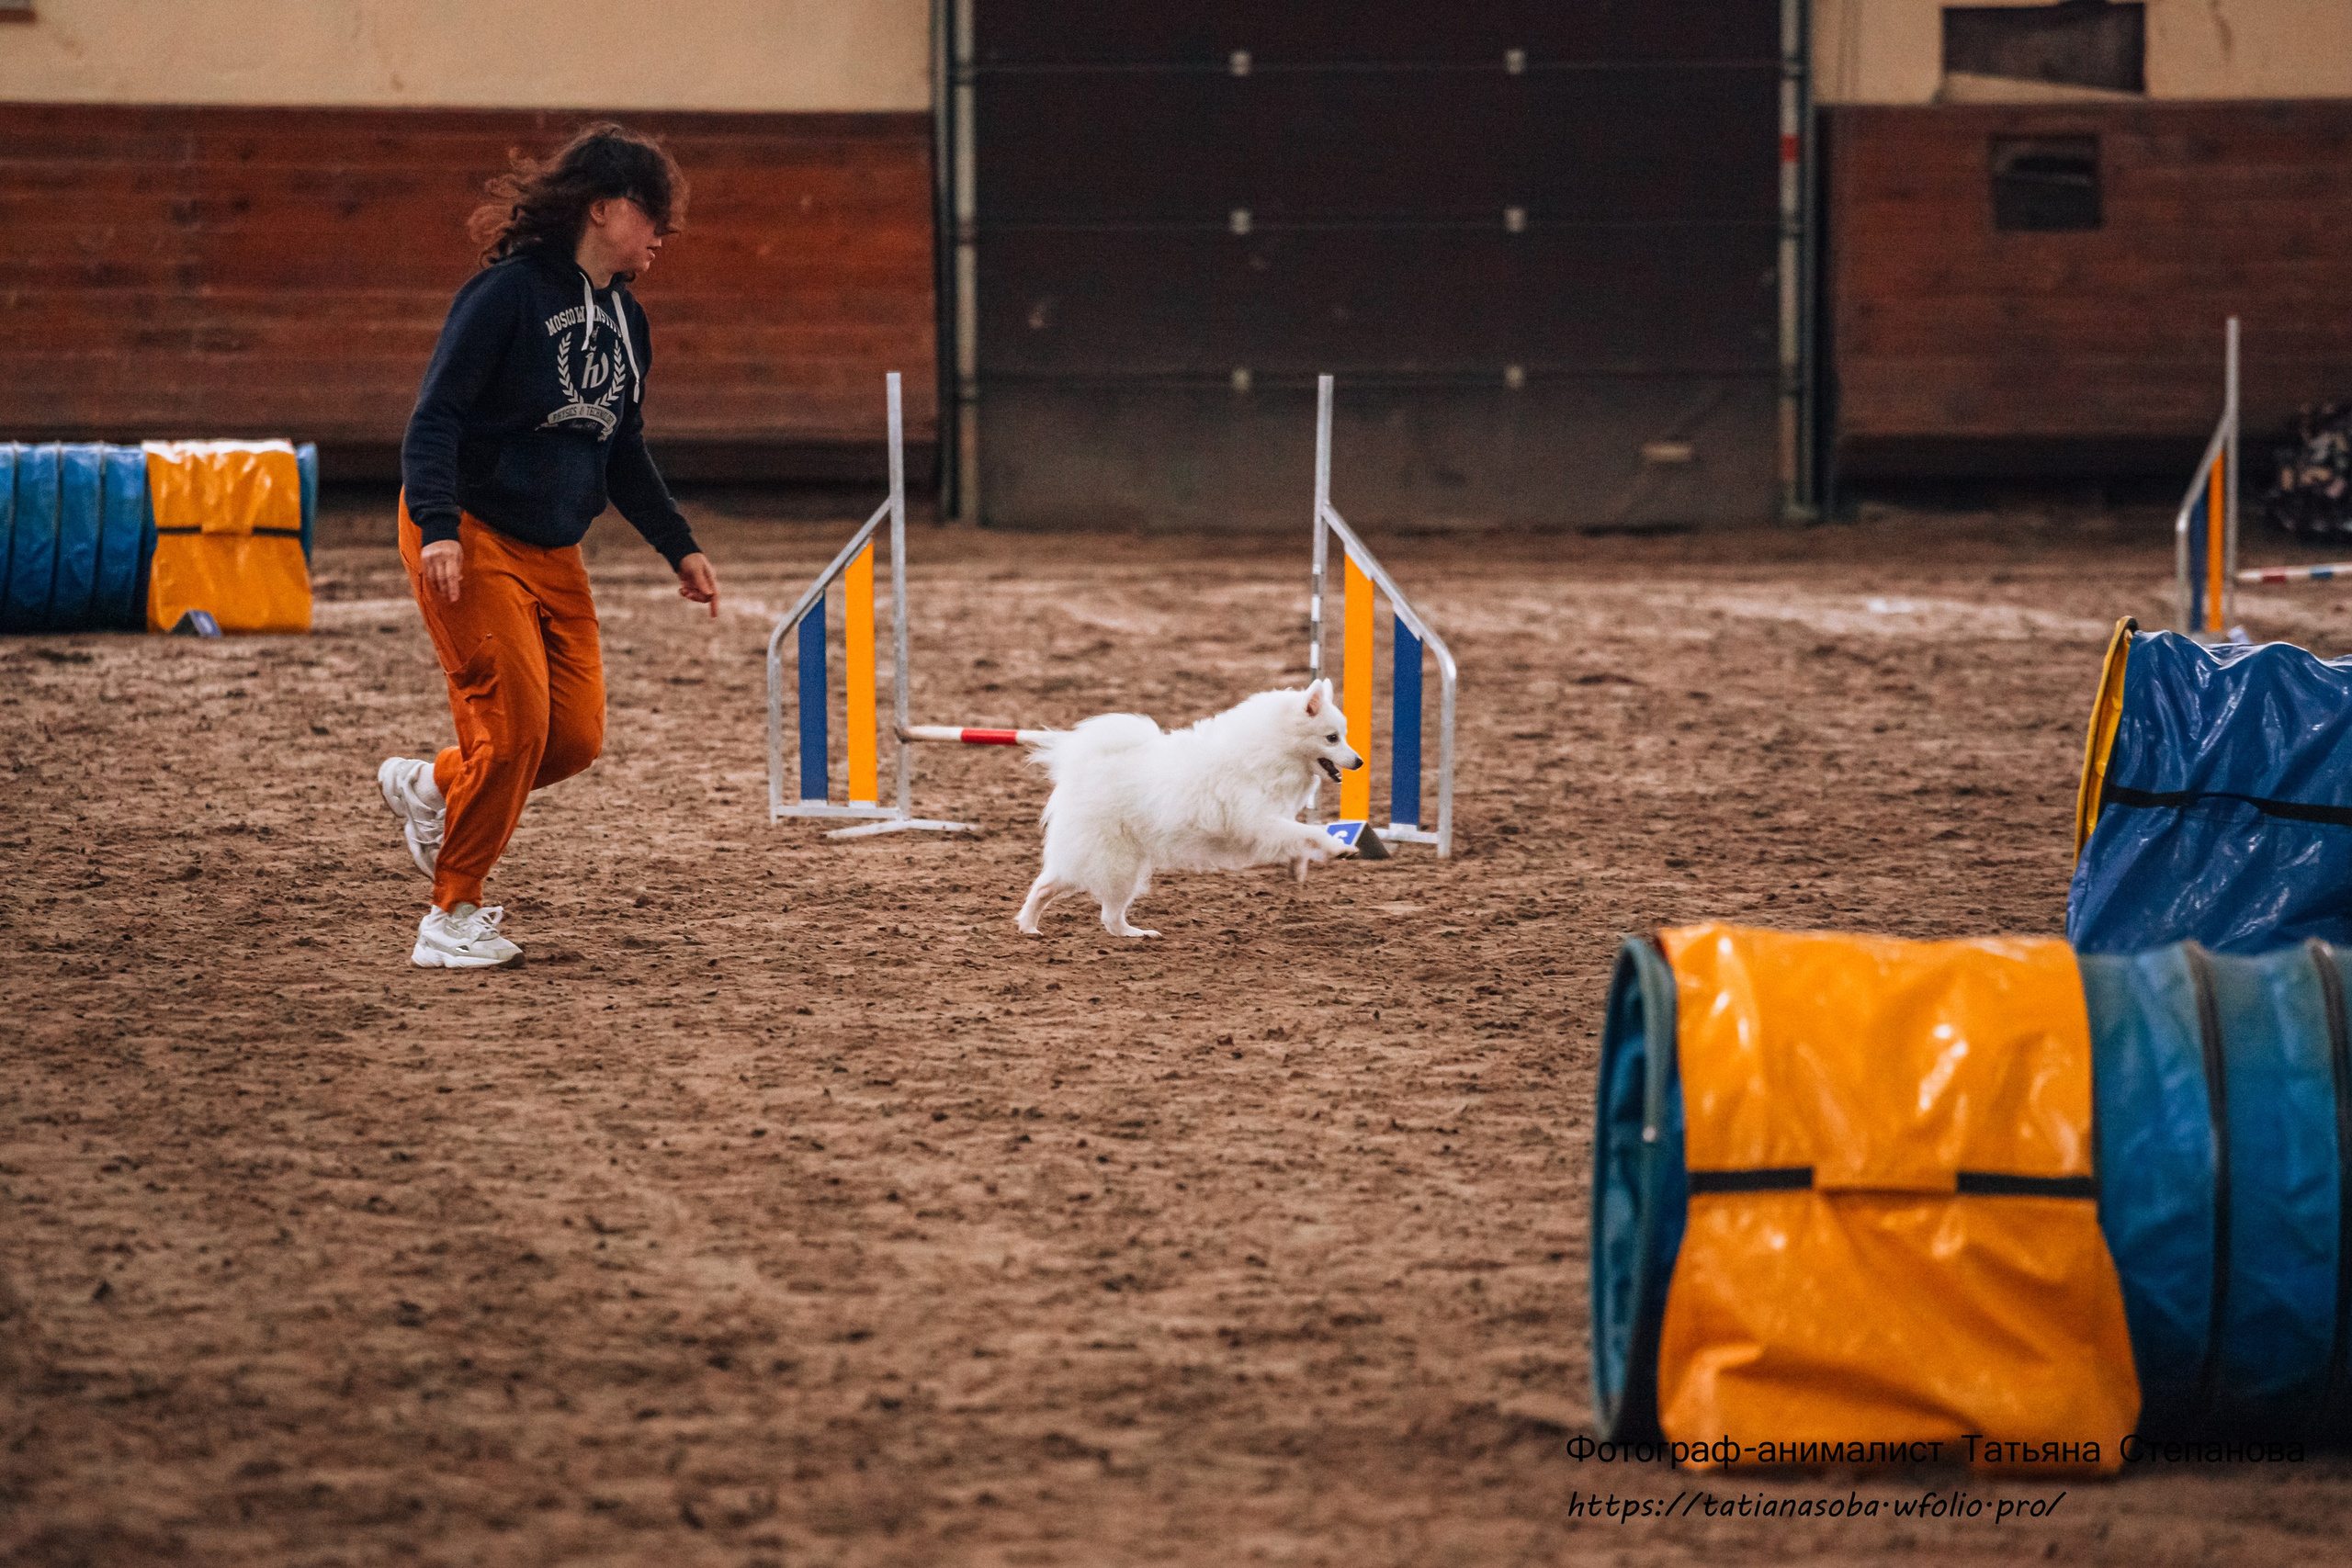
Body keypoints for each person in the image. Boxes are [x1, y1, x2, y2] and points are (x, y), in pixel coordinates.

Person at [378, 123, 719, 969]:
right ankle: (450, 914)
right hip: (469, 530)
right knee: (517, 725)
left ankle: (432, 785)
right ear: (602, 209)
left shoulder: (629, 323)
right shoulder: (504, 296)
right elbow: (436, 417)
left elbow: (623, 447)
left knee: (573, 740)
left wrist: (678, 545)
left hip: (554, 548)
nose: (661, 235)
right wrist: (440, 524)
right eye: (651, 216)